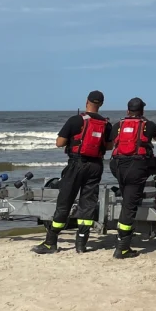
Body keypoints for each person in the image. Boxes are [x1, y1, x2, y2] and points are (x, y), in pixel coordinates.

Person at [33, 91, 113, 255]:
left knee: (65, 201)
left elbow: (59, 142)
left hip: (76, 163)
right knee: (88, 204)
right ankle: (81, 244)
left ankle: (51, 242)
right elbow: (110, 146)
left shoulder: (76, 120)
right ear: (101, 104)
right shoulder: (106, 124)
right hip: (96, 166)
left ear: (86, 101)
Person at [108, 97, 156, 259]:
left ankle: (138, 199)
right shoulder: (148, 125)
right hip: (136, 167)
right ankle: (122, 248)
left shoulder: (118, 125)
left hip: (117, 166)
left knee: (128, 199)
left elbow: (111, 144)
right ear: (142, 111)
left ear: (128, 111)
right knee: (129, 206)